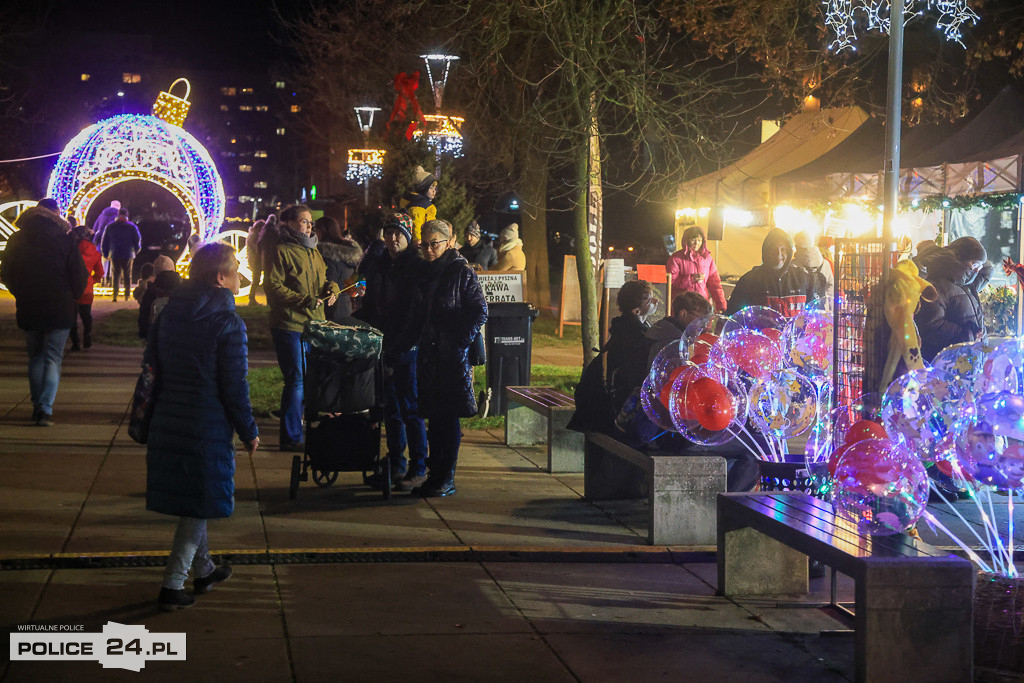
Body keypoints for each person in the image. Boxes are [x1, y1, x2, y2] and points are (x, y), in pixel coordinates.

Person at [144, 242, 259, 611]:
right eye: (236, 268)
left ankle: (204, 568)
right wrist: (248, 428)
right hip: (205, 421)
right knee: (198, 503)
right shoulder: (227, 322)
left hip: (169, 415)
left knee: (197, 495)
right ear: (220, 277)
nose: (241, 274)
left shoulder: (170, 313)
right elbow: (234, 385)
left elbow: (151, 367)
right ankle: (173, 584)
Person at [401, 219, 487, 497]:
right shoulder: (425, 273)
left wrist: (458, 342)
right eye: (423, 244)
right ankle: (434, 476)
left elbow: (479, 311)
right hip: (429, 356)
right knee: (434, 418)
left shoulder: (460, 271)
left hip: (452, 358)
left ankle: (445, 477)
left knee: (448, 418)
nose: (428, 249)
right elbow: (416, 315)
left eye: (433, 244)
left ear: (448, 242)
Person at [0, 199, 87, 426]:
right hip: (60, 306)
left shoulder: (17, 239)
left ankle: (37, 404)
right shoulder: (65, 240)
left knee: (36, 357)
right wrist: (73, 295)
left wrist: (20, 292)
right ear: (56, 215)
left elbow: (6, 272)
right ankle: (45, 409)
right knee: (52, 357)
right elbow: (79, 276)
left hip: (29, 304)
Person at [358, 212, 429, 489]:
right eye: (388, 232)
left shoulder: (415, 266)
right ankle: (397, 463)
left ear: (409, 235)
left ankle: (418, 466)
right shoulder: (382, 263)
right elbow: (363, 273)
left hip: (407, 346)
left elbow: (414, 312)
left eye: (398, 232)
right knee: (391, 408)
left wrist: (401, 345)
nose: (393, 237)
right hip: (383, 343)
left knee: (410, 408)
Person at [264, 204, 341, 451]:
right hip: (289, 324)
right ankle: (291, 437)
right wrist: (303, 300)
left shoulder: (313, 251)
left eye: (311, 222)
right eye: (304, 221)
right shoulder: (281, 250)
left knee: (311, 379)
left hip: (314, 324)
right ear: (288, 224)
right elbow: (273, 287)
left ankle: (309, 428)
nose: (309, 226)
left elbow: (322, 280)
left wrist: (333, 288)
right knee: (296, 380)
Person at [915, 236, 989, 362]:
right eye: (974, 264)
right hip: (947, 367)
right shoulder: (937, 284)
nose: (976, 270)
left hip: (968, 365)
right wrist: (968, 336)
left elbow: (987, 270)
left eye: (979, 266)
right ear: (959, 259)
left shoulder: (966, 285)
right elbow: (930, 325)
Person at [726, 228, 814, 318]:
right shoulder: (750, 280)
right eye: (773, 249)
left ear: (789, 252)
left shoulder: (802, 278)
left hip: (794, 332)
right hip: (761, 331)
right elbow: (733, 316)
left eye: (783, 249)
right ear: (766, 251)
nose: (778, 254)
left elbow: (813, 313)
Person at [606, 280, 658, 414]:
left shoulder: (626, 328)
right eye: (650, 301)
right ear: (636, 311)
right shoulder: (634, 337)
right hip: (626, 400)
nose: (656, 301)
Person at [665, 226, 726, 312]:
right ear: (687, 240)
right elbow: (670, 281)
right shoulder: (676, 258)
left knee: (702, 325)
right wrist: (690, 279)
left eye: (700, 240)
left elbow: (715, 284)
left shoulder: (707, 259)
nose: (697, 243)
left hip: (702, 305)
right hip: (682, 306)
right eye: (693, 239)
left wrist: (721, 304)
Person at [315, 216, 364, 321]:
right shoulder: (349, 254)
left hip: (331, 309)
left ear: (321, 231)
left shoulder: (327, 256)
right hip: (346, 307)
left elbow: (329, 285)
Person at [645, 291, 713, 367]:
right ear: (683, 313)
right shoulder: (672, 343)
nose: (705, 325)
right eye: (701, 319)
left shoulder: (664, 329)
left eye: (707, 320)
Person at [69, 225, 105, 352]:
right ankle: (87, 335)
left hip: (72, 288)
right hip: (87, 288)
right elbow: (100, 273)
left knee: (71, 317)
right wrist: (92, 281)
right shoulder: (95, 252)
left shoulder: (71, 251)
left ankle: (75, 343)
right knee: (86, 315)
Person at [100, 208, 142, 302]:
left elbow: (105, 241)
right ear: (127, 215)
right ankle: (127, 295)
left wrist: (105, 253)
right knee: (127, 275)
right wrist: (135, 251)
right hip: (128, 253)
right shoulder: (132, 227)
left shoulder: (110, 226)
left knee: (116, 274)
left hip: (114, 253)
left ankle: (115, 295)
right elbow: (137, 240)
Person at [138, 255, 182, 338]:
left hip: (156, 336)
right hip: (180, 336)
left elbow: (143, 317)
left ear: (155, 272)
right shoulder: (185, 289)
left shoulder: (151, 291)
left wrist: (144, 334)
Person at [793, 230, 834, 310]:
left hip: (801, 313)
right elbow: (831, 291)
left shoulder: (793, 266)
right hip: (822, 312)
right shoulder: (826, 264)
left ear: (797, 246)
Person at [399, 165, 437, 243]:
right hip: (421, 242)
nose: (434, 191)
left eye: (435, 188)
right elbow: (416, 223)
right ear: (423, 189)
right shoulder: (419, 205)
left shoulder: (424, 203)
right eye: (431, 188)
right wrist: (418, 240)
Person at [92, 200, 120, 286]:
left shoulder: (101, 215)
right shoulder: (118, 216)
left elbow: (95, 228)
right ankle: (112, 281)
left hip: (102, 241)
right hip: (114, 242)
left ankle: (102, 280)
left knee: (104, 261)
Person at [246, 218, 266, 305]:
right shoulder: (253, 236)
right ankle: (251, 298)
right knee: (256, 279)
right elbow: (256, 248)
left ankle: (252, 297)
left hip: (256, 260)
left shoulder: (253, 235)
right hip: (255, 260)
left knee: (256, 279)